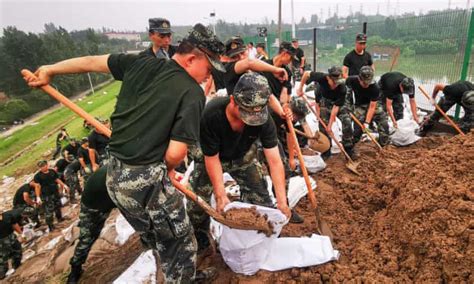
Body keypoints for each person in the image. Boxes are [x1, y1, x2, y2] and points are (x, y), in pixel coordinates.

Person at [24, 23, 225, 282]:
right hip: (146, 181)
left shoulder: (139, 63)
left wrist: (50, 70)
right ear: (191, 59)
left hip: (115, 176)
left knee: (157, 236)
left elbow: (91, 62)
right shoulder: (191, 92)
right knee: (181, 242)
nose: (207, 77)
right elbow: (175, 154)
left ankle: (177, 276)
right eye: (208, 70)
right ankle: (183, 278)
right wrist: (168, 172)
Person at [188, 73, 291, 253]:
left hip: (243, 156)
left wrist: (282, 200)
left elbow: (274, 161)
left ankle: (254, 230)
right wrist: (220, 195)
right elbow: (212, 158)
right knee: (197, 205)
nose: (250, 118)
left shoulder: (264, 119)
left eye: (256, 114)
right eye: (246, 112)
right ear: (233, 100)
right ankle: (201, 233)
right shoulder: (212, 115)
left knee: (263, 202)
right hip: (213, 157)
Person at [66, 167, 115, 283]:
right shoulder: (109, 175)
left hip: (112, 199)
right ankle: (75, 270)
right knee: (87, 240)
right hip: (93, 209)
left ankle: (147, 239)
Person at [297, 66, 355, 158]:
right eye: (334, 82)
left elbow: (336, 107)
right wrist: (300, 88)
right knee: (323, 125)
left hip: (338, 103)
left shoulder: (342, 88)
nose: (336, 84)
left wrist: (330, 125)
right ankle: (326, 151)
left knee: (347, 121)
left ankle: (348, 148)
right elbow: (306, 74)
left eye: (338, 82)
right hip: (325, 101)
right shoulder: (321, 77)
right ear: (328, 78)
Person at [222, 36, 287, 95]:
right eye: (234, 57)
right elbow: (249, 62)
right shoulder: (229, 69)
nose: (241, 57)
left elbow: (269, 96)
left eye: (242, 53)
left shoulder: (256, 70)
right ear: (228, 59)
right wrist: (275, 69)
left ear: (247, 50)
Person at [346, 66, 390, 149]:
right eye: (364, 83)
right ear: (359, 79)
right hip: (360, 105)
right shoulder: (351, 80)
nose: (367, 85)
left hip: (373, 104)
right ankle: (354, 144)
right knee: (357, 125)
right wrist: (348, 107)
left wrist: (366, 123)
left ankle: (383, 144)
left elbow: (372, 107)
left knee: (383, 120)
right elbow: (346, 95)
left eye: (368, 82)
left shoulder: (375, 87)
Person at [32, 160, 68, 231]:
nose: (42, 167)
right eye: (41, 167)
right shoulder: (37, 176)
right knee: (49, 211)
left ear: (47, 165)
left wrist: (64, 185)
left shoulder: (52, 171)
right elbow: (37, 186)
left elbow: (57, 179)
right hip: (46, 195)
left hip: (55, 192)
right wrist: (38, 197)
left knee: (58, 205)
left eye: (43, 165)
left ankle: (60, 218)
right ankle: (50, 226)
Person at [0, 209, 24, 279]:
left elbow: (14, 224)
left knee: (18, 252)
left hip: (11, 237)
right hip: (1, 242)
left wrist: (21, 234)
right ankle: (2, 276)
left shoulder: (7, 215)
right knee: (2, 260)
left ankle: (17, 267)